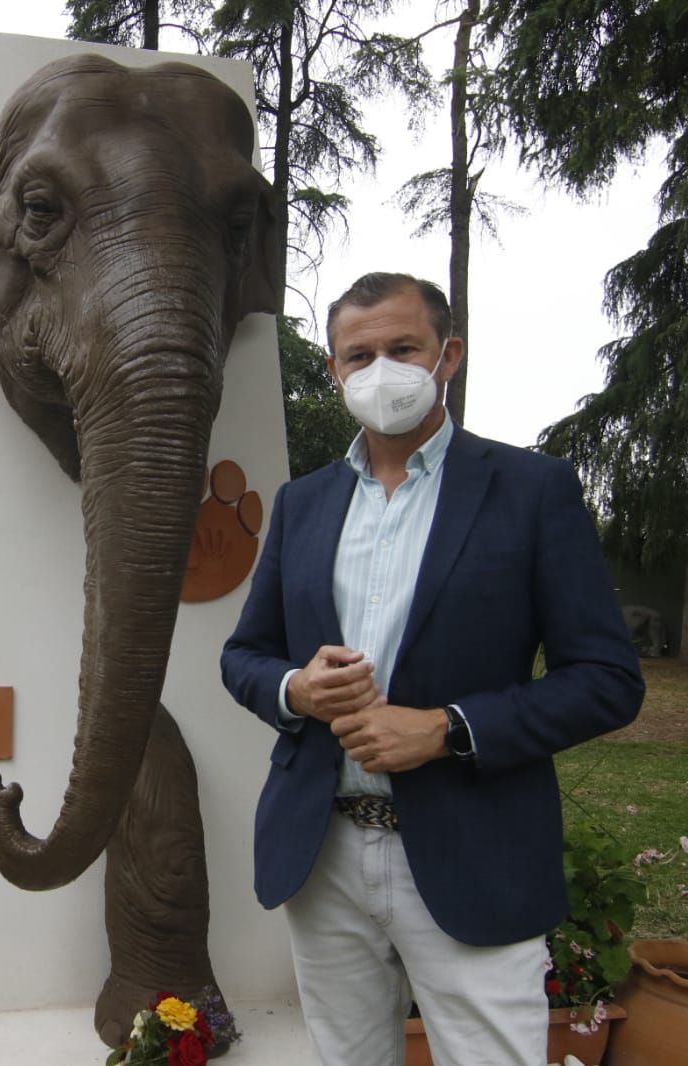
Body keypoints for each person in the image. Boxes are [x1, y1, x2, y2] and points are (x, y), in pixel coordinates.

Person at [220, 273, 643, 1065]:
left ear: (447, 355)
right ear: (334, 371)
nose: (383, 369)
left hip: (472, 848)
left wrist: (448, 729)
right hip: (323, 850)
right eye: (361, 354)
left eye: (403, 348)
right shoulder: (303, 503)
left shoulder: (530, 490)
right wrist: (295, 689)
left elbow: (609, 680)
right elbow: (244, 656)